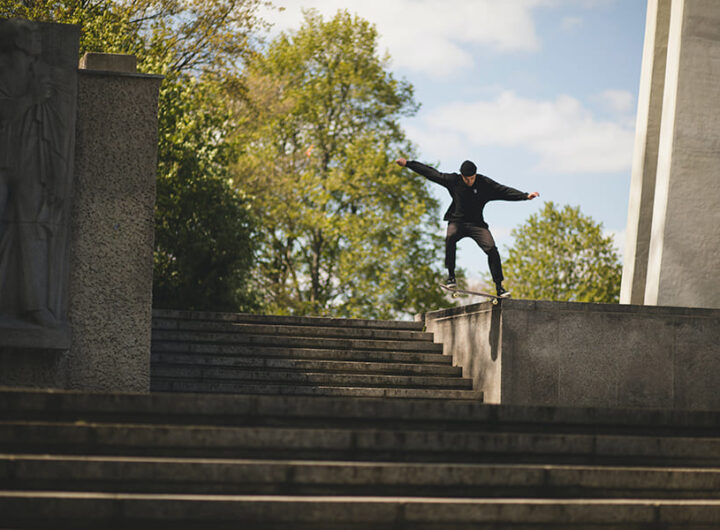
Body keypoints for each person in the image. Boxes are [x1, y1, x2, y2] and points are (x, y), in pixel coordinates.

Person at [396, 157, 539, 297]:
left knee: (492, 249)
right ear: (462, 176)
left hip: (477, 224)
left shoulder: (484, 183)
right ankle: (451, 276)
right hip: (457, 222)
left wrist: (525, 196)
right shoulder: (454, 181)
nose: (470, 181)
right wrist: (408, 164)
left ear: (475, 175)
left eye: (472, 178)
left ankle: (499, 287)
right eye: (466, 179)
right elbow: (431, 173)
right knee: (450, 237)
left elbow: (503, 190)